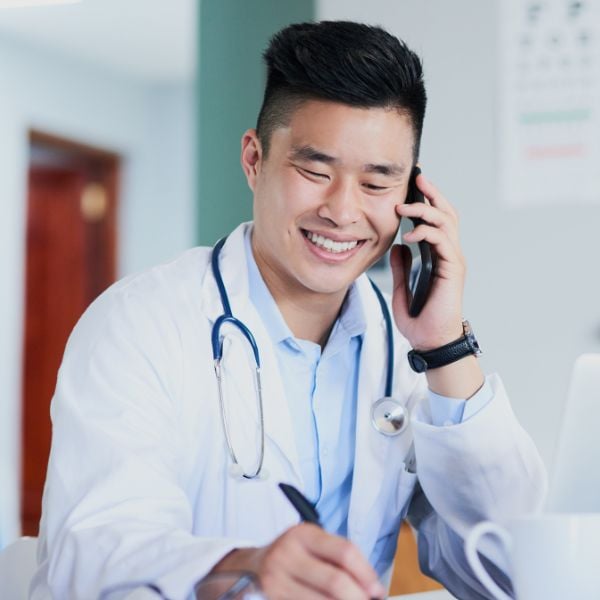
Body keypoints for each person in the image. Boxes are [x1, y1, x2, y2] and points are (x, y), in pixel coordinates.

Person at [32, 21, 546, 600]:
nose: (343, 211)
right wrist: (245, 566)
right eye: (315, 171)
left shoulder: (406, 354)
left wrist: (445, 345)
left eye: (377, 184)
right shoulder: (139, 323)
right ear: (254, 159)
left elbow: (512, 572)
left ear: (414, 199)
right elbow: (93, 550)